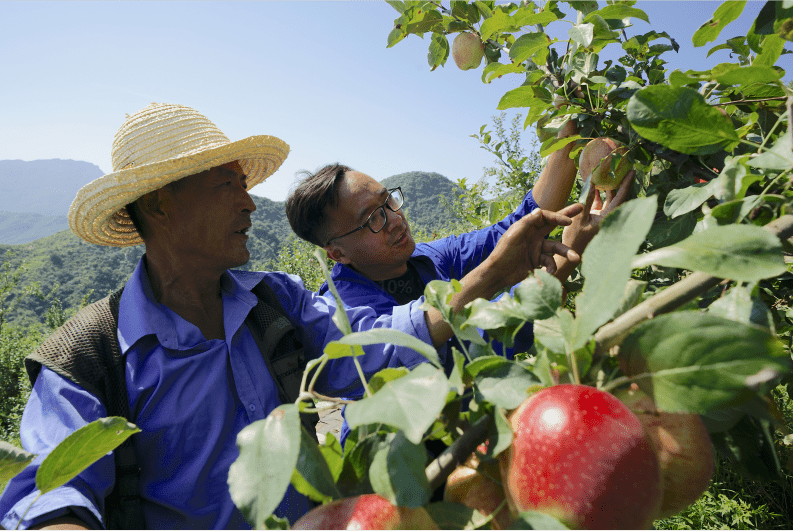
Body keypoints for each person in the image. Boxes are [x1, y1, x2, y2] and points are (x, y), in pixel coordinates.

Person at [0, 103, 583, 530]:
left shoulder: (275, 303)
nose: (250, 203)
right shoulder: (89, 359)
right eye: (227, 185)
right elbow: (51, 499)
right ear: (160, 203)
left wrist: (496, 277)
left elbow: (368, 351)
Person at [284, 122, 633, 447]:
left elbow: (518, 225)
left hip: (476, 440)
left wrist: (567, 131)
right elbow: (478, 345)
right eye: (373, 219)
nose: (394, 220)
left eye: (387, 200)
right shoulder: (345, 317)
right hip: (406, 466)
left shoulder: (426, 258)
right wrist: (567, 255)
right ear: (338, 254)